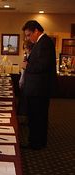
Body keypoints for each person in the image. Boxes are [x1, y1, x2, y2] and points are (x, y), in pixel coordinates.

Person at [21, 20, 56, 149]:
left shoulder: (45, 43)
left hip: (39, 90)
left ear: (36, 31)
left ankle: (37, 144)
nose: (27, 38)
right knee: (34, 116)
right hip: (35, 89)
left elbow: (43, 65)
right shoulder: (40, 43)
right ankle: (34, 141)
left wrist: (27, 66)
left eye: (29, 35)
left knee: (38, 117)